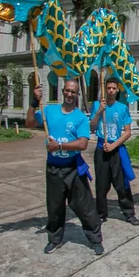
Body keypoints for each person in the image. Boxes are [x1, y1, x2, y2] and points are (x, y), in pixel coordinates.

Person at [26, 80, 103, 256]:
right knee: (54, 207)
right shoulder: (49, 111)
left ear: (77, 95)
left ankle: (95, 239)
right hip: (53, 168)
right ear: (63, 91)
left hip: (73, 168)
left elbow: (83, 144)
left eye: (73, 92)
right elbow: (30, 123)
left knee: (85, 207)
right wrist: (33, 102)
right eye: (67, 91)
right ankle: (54, 239)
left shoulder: (80, 118)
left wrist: (59, 147)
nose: (70, 94)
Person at [89, 76, 139, 226]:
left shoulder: (122, 108)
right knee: (101, 185)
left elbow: (127, 132)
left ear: (117, 90)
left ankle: (129, 213)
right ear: (105, 89)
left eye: (113, 88)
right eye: (108, 88)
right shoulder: (97, 105)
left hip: (116, 150)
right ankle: (101, 213)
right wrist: (98, 112)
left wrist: (114, 145)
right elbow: (92, 127)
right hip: (101, 150)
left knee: (122, 184)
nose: (111, 91)